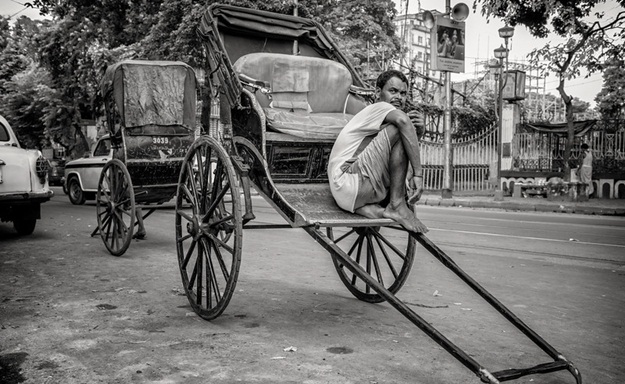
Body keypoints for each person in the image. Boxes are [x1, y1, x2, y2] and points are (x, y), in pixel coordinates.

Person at [328, 69, 428, 233]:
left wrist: (418, 132)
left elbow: (401, 162)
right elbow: (402, 121)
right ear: (377, 93)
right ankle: (396, 204)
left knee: (403, 130)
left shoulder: (382, 122)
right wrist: (419, 174)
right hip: (348, 180)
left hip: (348, 196)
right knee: (401, 125)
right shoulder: (378, 108)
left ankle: (376, 210)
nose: (399, 97)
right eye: (393, 91)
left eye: (403, 94)